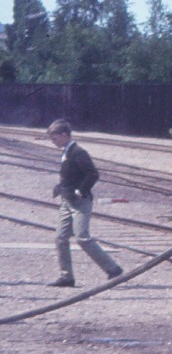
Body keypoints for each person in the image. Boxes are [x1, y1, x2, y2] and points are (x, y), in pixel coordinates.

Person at [45, 119, 123, 287]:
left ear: (64, 135)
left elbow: (92, 174)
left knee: (82, 237)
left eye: (55, 138)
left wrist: (81, 191)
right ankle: (67, 277)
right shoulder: (66, 151)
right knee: (60, 238)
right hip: (67, 201)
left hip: (80, 202)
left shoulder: (78, 152)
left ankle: (113, 269)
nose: (53, 141)